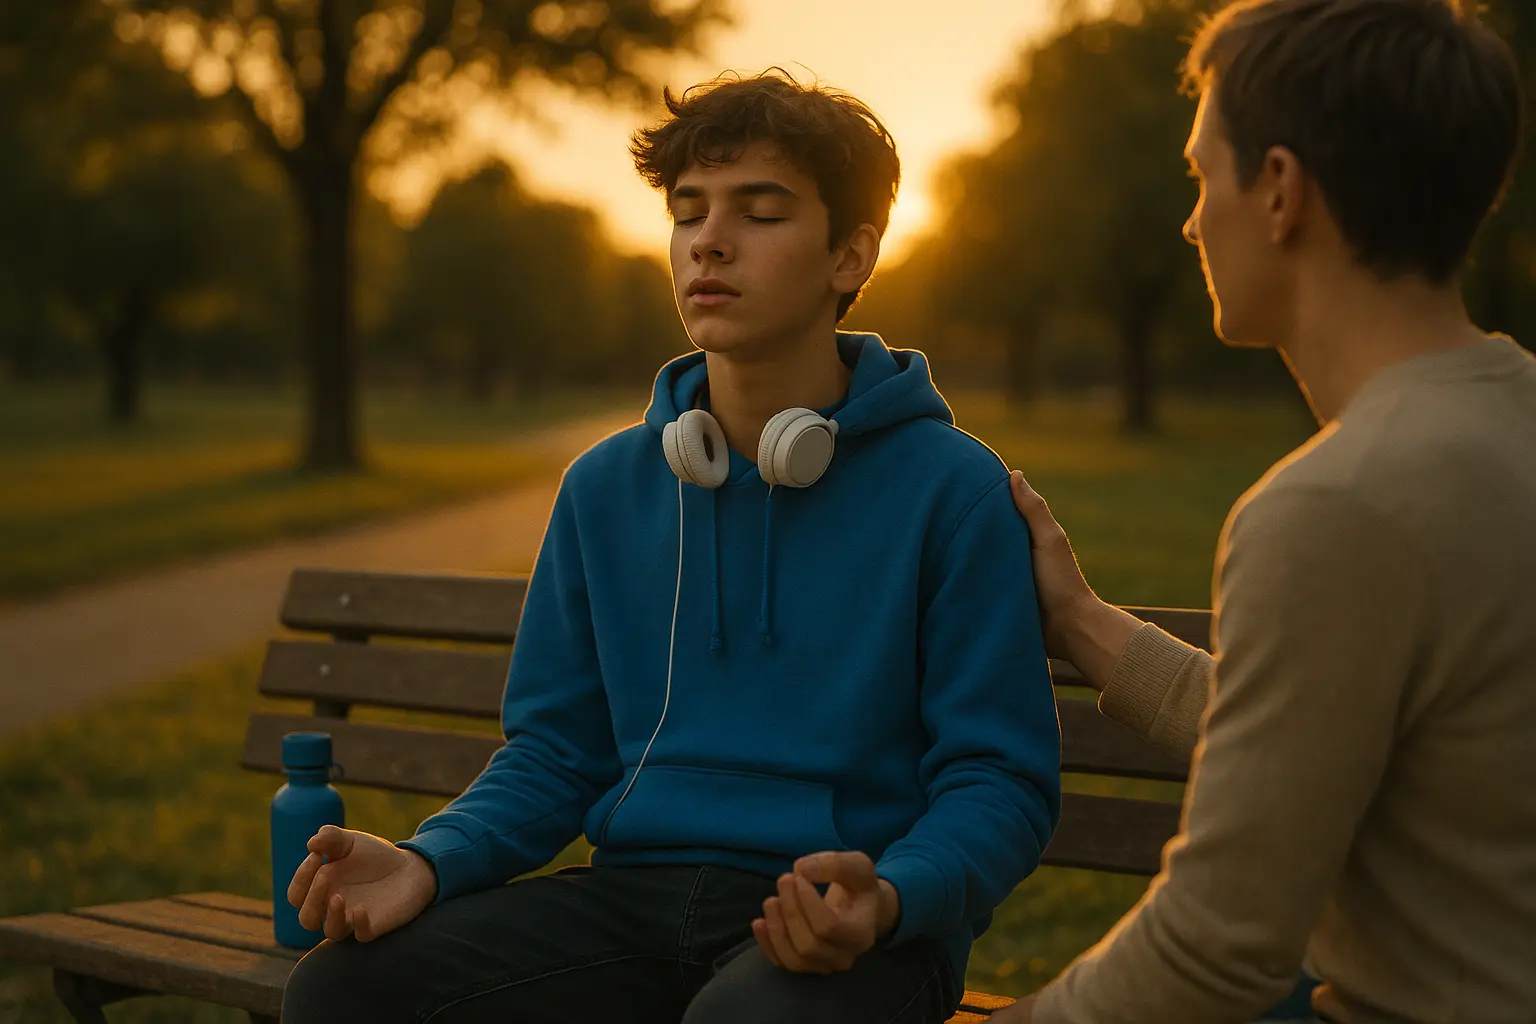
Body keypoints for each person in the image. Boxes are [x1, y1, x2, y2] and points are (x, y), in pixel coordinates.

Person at [279, 72, 1062, 1024]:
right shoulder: (606, 487)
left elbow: (1000, 778)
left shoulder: (954, 491)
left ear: (849, 255)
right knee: (342, 993)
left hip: (853, 928)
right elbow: (556, 754)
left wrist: (895, 895)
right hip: (631, 902)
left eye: (759, 213)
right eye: (687, 213)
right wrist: (429, 860)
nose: (710, 241)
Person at [987, 0, 1536, 1020]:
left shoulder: (1337, 505)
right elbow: (1313, 733)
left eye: (1202, 174)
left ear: (1280, 189)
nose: (1193, 219)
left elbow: (1213, 953)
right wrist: (1084, 622)